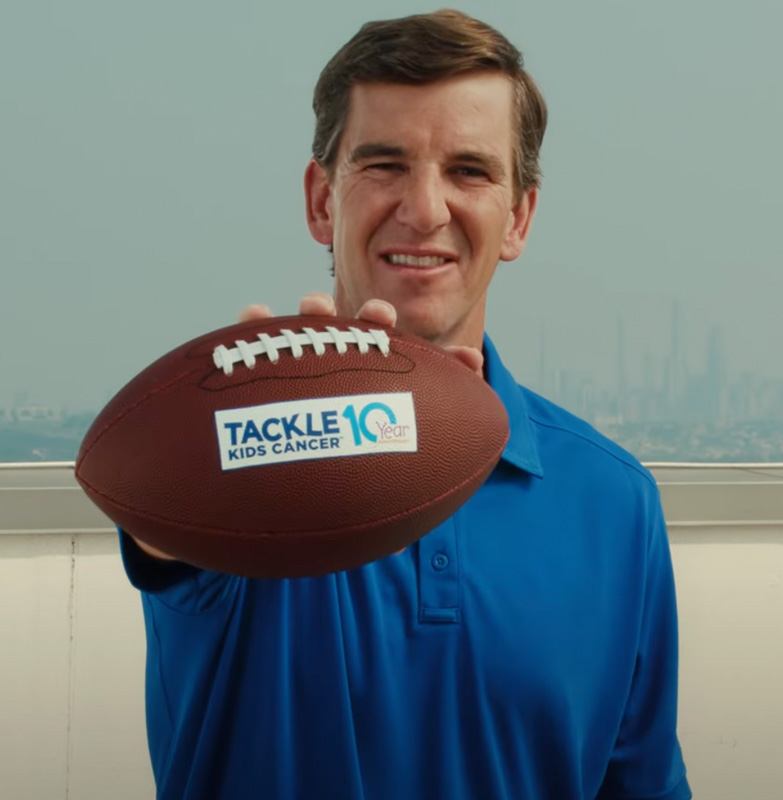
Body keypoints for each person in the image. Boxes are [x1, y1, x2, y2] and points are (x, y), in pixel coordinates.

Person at [120, 9, 691, 800]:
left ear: (519, 217)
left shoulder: (615, 502)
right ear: (321, 201)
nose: (424, 210)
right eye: (384, 165)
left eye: (470, 171)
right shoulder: (246, 456)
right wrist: (275, 427)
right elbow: (160, 521)